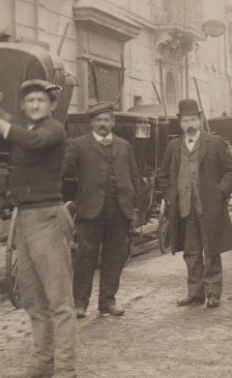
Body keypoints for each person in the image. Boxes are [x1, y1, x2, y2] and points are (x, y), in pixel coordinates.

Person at [0, 79, 76, 378]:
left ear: (51, 106)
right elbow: (19, 165)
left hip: (48, 218)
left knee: (59, 301)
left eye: (41, 100)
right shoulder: (27, 132)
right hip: (24, 219)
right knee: (33, 299)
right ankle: (43, 362)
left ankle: (65, 368)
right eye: (30, 101)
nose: (36, 105)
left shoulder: (52, 130)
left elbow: (30, 142)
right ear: (24, 107)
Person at [157, 99, 232, 308]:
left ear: (200, 120)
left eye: (193, 119)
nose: (190, 125)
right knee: (191, 252)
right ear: (180, 123)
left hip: (209, 207)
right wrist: (170, 196)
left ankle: (213, 293)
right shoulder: (173, 147)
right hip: (185, 208)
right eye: (186, 121)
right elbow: (163, 175)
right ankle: (195, 293)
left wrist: (220, 192)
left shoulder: (215, 143)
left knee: (211, 250)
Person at [63, 102, 140, 318]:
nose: (103, 124)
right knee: (85, 257)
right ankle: (79, 303)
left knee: (114, 258)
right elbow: (63, 172)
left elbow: (134, 178)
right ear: (92, 123)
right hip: (90, 211)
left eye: (106, 120)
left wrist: (134, 210)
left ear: (113, 122)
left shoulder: (125, 146)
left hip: (119, 210)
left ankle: (107, 302)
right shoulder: (77, 145)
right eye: (98, 120)